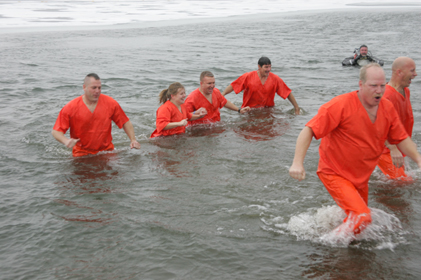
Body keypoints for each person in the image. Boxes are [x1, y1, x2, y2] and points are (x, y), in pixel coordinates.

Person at [289, 63, 421, 237]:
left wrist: (419, 160)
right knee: (362, 216)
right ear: (361, 84)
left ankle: (339, 241)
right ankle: (329, 246)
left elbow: (402, 139)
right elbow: (309, 130)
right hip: (334, 172)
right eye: (373, 86)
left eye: (382, 85)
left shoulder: (387, 108)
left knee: (360, 222)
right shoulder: (340, 105)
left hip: (361, 177)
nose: (379, 90)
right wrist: (297, 163)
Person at [52, 73, 141, 157]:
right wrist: (66, 141)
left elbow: (125, 122)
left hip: (106, 151)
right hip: (81, 154)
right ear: (84, 87)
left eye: (99, 88)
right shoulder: (71, 107)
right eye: (94, 88)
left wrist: (133, 140)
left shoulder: (110, 103)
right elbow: (56, 131)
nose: (97, 91)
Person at [377, 57, 417, 180]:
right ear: (399, 72)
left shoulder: (406, 91)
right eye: (412, 71)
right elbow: (377, 126)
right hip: (385, 150)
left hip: (398, 147)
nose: (415, 74)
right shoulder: (386, 96)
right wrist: (393, 148)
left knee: (401, 181)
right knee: (403, 182)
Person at [221, 57, 300, 114]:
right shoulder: (248, 76)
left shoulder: (275, 79)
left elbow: (287, 93)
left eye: (270, 67)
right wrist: (222, 95)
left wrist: (296, 108)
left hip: (268, 110)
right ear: (259, 66)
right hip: (249, 110)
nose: (268, 69)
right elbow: (233, 86)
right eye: (266, 67)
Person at [185, 71, 251, 125]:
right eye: (209, 83)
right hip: (199, 130)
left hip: (216, 126)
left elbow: (224, 102)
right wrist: (195, 113)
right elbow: (184, 116)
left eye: (213, 83)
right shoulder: (192, 98)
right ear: (201, 83)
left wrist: (239, 110)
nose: (212, 86)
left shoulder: (216, 92)